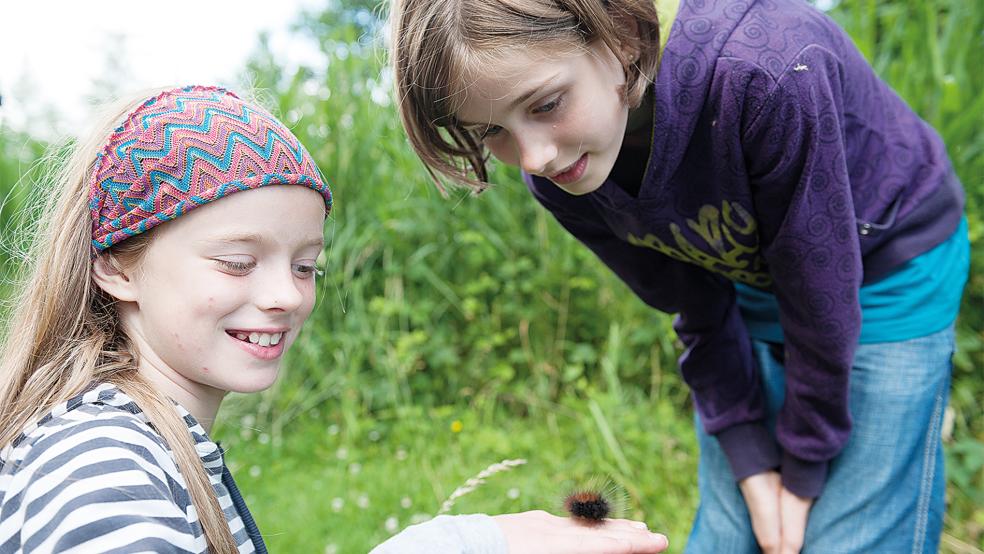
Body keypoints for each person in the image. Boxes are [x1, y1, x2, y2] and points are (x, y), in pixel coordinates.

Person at [389, 0, 970, 552]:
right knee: (730, 533)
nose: (535, 157)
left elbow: (820, 300)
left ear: (615, 36)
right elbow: (694, 306)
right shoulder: (565, 173)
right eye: (491, 130)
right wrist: (749, 459)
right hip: (752, 269)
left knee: (847, 538)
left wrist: (803, 468)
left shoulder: (764, 73)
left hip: (887, 266)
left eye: (545, 104)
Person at [0, 85, 670, 553]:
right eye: (237, 261)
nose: (289, 297)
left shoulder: (151, 442)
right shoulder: (100, 462)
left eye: (305, 265)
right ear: (115, 266)